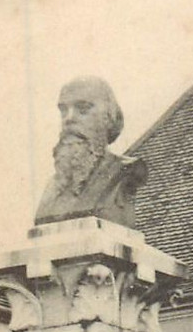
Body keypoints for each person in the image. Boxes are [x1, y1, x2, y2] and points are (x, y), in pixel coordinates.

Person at [35, 76, 147, 228]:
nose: (69, 119)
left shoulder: (122, 171)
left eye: (83, 109)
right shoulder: (51, 189)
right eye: (63, 111)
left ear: (109, 117)